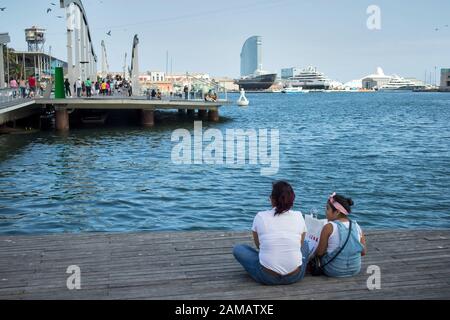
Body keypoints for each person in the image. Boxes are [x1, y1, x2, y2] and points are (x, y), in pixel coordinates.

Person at [233, 181, 309, 285]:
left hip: (267, 277)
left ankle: (269, 261)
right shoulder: (299, 216)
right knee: (306, 244)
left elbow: (259, 245)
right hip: (294, 276)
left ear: (272, 199)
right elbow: (300, 244)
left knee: (238, 249)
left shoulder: (260, 216)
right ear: (292, 200)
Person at [314, 193, 366, 278]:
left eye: (327, 209)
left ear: (337, 212)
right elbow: (363, 252)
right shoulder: (357, 226)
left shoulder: (329, 227)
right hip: (355, 269)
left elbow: (320, 253)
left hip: (333, 270)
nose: (325, 212)